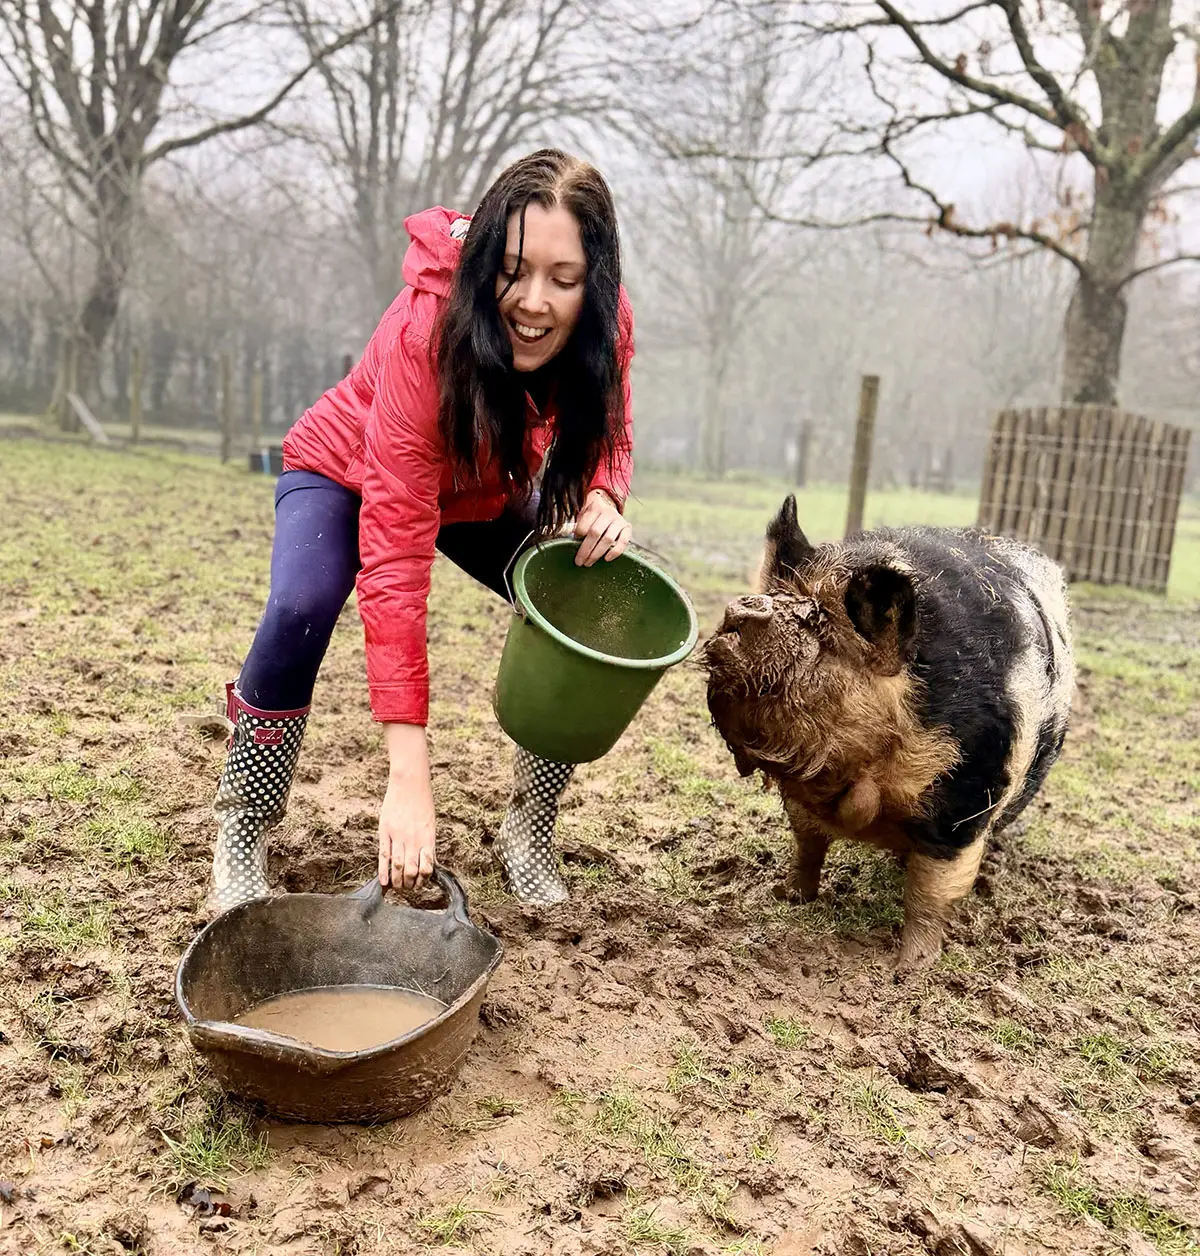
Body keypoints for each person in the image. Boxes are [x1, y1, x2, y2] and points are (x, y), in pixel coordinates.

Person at [210, 149, 635, 915]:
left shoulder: (605, 328)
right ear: (481, 266)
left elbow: (608, 429)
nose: (534, 302)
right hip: (347, 471)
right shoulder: (424, 335)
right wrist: (409, 776)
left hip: (475, 489)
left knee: (585, 592)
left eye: (563, 280)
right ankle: (244, 823)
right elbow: (396, 562)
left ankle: (529, 827)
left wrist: (605, 493)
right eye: (512, 270)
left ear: (593, 285)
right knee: (302, 605)